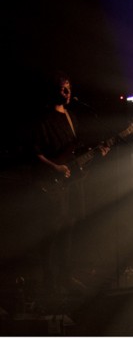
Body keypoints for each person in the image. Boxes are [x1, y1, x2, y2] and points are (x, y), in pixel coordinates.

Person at [30, 72, 109, 294]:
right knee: (52, 232)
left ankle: (66, 277)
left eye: (69, 88)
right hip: (51, 183)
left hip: (71, 184)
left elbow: (75, 153)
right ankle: (49, 280)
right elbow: (34, 151)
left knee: (70, 228)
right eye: (62, 89)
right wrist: (54, 167)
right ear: (54, 91)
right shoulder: (44, 119)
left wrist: (97, 153)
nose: (67, 93)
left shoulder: (72, 118)